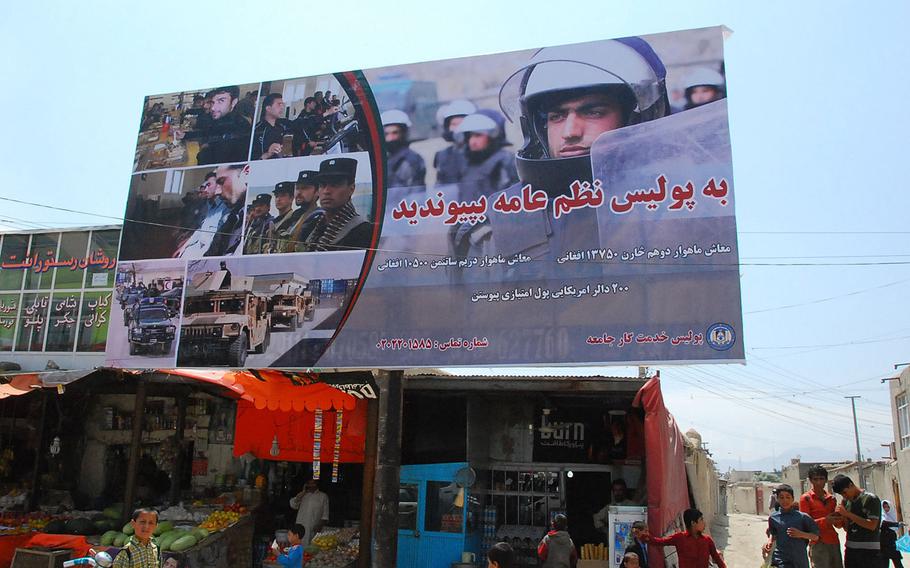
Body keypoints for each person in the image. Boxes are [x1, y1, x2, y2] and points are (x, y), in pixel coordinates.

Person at [487, 38, 669, 270]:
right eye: (557, 116)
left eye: (593, 112)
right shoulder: (498, 225)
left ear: (635, 119)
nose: (570, 132)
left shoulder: (683, 203)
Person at [299, 158, 373, 252]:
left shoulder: (363, 231)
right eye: (322, 185)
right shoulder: (311, 226)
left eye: (335, 185)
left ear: (351, 188)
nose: (326, 191)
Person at [176, 86, 251, 165]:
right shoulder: (222, 119)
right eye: (212, 102)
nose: (213, 108)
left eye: (221, 101)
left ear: (234, 102)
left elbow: (213, 159)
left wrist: (205, 148)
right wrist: (185, 135)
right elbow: (207, 132)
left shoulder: (239, 125)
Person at [763, 484, 819, 568]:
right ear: (777, 499)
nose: (785, 500)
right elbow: (774, 534)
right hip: (781, 560)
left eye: (788, 497)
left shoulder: (803, 517)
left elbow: (815, 537)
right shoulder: (773, 518)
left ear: (792, 498)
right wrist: (769, 541)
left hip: (799, 559)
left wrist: (801, 534)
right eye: (781, 497)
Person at [798, 465, 843, 568]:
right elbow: (805, 525)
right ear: (810, 480)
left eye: (821, 479)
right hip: (818, 542)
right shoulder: (806, 498)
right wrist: (825, 521)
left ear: (826, 480)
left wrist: (840, 517)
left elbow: (838, 525)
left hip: (833, 541)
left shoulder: (831, 499)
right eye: (815, 479)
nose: (818, 482)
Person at [832, 474, 882, 567]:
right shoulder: (846, 502)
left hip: (869, 551)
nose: (844, 496)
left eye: (845, 492)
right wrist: (842, 518)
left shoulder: (870, 499)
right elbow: (847, 528)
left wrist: (848, 514)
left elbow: (872, 525)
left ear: (851, 485)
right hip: (851, 550)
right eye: (842, 494)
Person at [650, 508, 726, 568]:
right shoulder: (679, 538)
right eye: (701, 520)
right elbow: (660, 542)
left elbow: (717, 559)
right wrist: (644, 537)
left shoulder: (707, 540)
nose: (704, 523)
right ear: (693, 523)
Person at [381, 109, 426, 192]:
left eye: (395, 133)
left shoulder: (413, 159)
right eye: (386, 134)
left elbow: (416, 192)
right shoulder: (382, 158)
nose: (390, 138)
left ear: (403, 133)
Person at [433, 99, 476, 186]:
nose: (458, 128)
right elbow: (440, 187)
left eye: (462, 123)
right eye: (454, 124)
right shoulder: (442, 156)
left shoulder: (483, 153)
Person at [252, 93, 294, 160]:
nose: (282, 107)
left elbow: (285, 153)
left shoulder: (282, 128)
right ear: (268, 108)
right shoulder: (258, 130)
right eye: (279, 104)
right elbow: (251, 159)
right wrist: (268, 154)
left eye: (282, 104)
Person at [290, 478, 329, 546]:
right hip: (299, 528)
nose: (311, 485)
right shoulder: (303, 495)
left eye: (313, 483)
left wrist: (319, 526)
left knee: (310, 552)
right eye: (309, 483)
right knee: (296, 549)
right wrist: (303, 492)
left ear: (317, 484)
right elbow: (293, 505)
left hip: (313, 529)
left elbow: (325, 516)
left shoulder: (323, 496)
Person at [265, 182, 298, 253]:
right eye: (276, 196)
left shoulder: (294, 221)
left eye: (282, 196)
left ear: (291, 198)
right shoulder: (273, 222)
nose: (278, 199)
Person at [881, 500, 904, 568]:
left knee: (897, 562)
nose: (886, 509)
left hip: (892, 542)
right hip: (884, 543)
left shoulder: (892, 515)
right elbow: (883, 523)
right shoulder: (882, 516)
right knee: (884, 563)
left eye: (888, 507)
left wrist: (896, 524)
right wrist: (896, 524)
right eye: (884, 507)